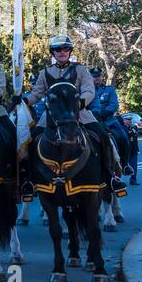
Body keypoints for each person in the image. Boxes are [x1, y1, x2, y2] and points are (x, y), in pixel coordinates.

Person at [28, 35, 125, 196]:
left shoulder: (81, 70)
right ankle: (30, 180)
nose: (62, 52)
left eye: (65, 49)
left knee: (103, 136)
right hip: (52, 117)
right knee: (31, 141)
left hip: (79, 113)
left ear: (69, 51)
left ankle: (111, 176)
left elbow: (89, 90)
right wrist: (24, 100)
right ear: (53, 52)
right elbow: (36, 93)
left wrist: (80, 102)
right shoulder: (45, 73)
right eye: (58, 49)